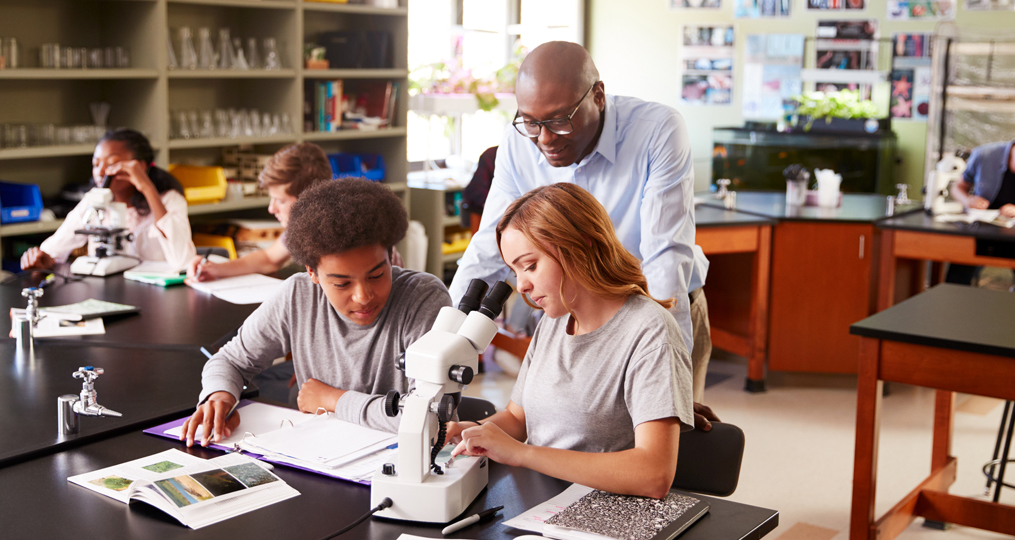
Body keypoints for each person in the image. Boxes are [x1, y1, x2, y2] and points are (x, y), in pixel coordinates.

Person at [449, 41, 713, 404]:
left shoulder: (658, 130)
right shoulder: (519, 142)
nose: (544, 138)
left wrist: (671, 369)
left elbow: (664, 258)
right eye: (530, 122)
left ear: (598, 96)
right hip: (571, 313)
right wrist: (447, 334)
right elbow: (486, 250)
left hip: (656, 308)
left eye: (559, 120)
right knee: (574, 437)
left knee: (665, 448)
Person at [448, 184, 694, 499]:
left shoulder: (650, 331)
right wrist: (473, 433)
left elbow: (653, 475)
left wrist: (521, 454)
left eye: (530, 265)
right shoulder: (554, 320)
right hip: (541, 501)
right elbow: (517, 418)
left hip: (604, 513)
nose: (521, 285)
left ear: (580, 245)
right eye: (515, 271)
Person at [180, 179, 450, 447]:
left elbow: (430, 419)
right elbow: (231, 360)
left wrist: (334, 400)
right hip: (319, 456)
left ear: (391, 256)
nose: (363, 296)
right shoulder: (297, 296)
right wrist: (219, 396)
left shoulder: (423, 299)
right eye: (342, 283)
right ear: (312, 272)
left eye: (377, 274)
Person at [187, 142, 403, 281]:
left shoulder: (351, 234)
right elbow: (269, 258)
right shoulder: (307, 227)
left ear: (307, 200)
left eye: (280, 200)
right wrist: (214, 269)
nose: (272, 209)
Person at [21, 129, 196, 271]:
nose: (101, 171)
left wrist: (147, 187)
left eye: (112, 163)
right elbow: (55, 248)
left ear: (141, 166)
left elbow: (183, 260)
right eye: (96, 164)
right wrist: (41, 258)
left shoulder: (170, 200)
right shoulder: (94, 201)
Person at [946, 139, 1015, 285]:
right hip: (980, 228)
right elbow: (957, 188)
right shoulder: (984, 154)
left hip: (1012, 232)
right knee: (957, 277)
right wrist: (968, 200)